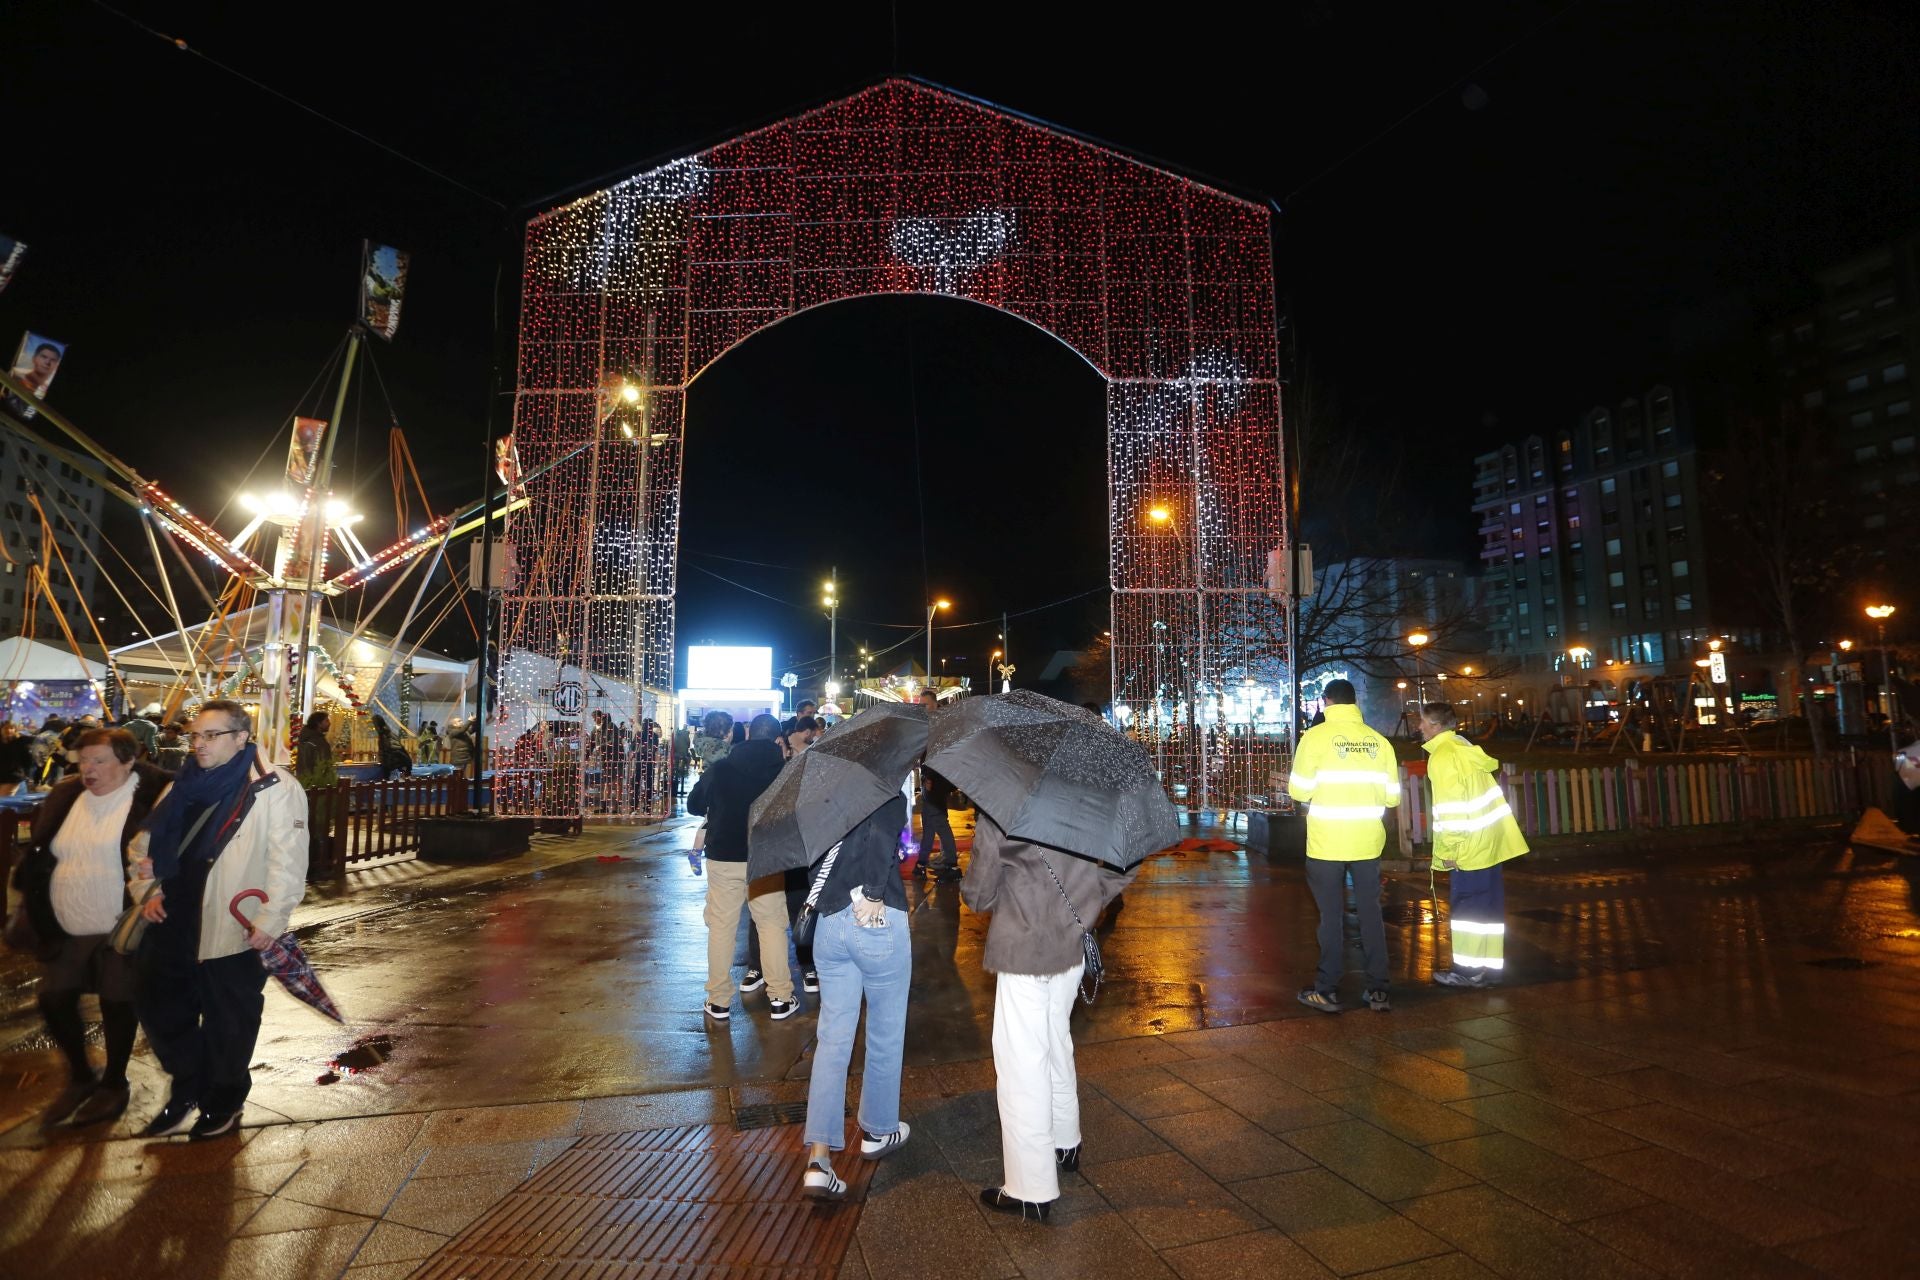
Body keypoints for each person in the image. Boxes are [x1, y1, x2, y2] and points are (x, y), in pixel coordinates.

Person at [127, 699, 309, 1140]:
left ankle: (223, 1098)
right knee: (160, 1005)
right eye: (195, 735)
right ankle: (189, 1083)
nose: (199, 744)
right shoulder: (183, 784)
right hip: (173, 916)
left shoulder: (273, 787)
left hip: (233, 924)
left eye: (211, 735)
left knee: (230, 1017)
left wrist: (269, 920)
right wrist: (145, 892)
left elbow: (288, 862)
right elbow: (143, 847)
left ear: (241, 738)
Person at [964, 812, 1136, 1222]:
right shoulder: (1087, 793)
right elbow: (1130, 856)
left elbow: (978, 895)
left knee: (1022, 1063)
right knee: (1056, 1038)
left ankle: (1030, 1187)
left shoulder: (1004, 803)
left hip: (1023, 949)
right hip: (1071, 944)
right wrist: (1092, 896)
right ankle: (1066, 1140)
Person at [10, 728, 171, 1128]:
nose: (89, 769)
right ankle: (81, 1077)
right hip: (67, 923)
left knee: (117, 1001)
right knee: (53, 998)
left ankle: (114, 1083)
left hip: (121, 924)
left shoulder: (154, 798)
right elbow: (43, 850)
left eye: (99, 761)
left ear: (128, 761)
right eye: (84, 761)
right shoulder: (67, 796)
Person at [800, 794, 914, 1200]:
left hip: (829, 924)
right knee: (884, 1030)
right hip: (876, 920)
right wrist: (873, 892)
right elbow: (883, 837)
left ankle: (818, 1159)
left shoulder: (826, 796)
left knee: (832, 1038)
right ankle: (878, 1131)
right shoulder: (887, 794)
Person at [1287, 678, 1400, 1015]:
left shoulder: (1315, 738)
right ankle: (1379, 990)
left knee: (1331, 917)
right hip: (1366, 842)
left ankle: (1327, 989)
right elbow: (1392, 796)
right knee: (1370, 914)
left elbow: (1299, 791)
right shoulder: (1379, 742)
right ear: (1355, 703)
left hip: (1327, 843)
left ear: (1326, 702)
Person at [686, 714, 796, 1021]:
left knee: (721, 927)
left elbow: (694, 805)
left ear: (746, 735)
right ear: (778, 740)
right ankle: (780, 998)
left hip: (723, 857)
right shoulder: (786, 772)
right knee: (771, 925)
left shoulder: (722, 768)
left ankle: (719, 1001)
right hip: (766, 860)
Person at [1420, 703, 1528, 986]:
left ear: (1435, 725)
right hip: (1490, 843)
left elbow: (1452, 808)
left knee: (1468, 912)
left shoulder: (1442, 756)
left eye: (1422, 722)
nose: (1419, 727)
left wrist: (1450, 851)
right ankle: (1489, 968)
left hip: (1468, 846)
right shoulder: (1464, 747)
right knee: (1488, 910)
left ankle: (1466, 972)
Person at [747, 716, 820, 994]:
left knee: (796, 911)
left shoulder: (794, 770)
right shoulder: (770, 770)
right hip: (774, 855)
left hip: (791, 854)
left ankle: (806, 967)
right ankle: (758, 967)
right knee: (765, 913)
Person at [295, 710, 333, 781]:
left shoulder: (316, 739)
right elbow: (306, 764)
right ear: (319, 723)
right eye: (326, 721)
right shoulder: (312, 741)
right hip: (315, 783)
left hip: (315, 782)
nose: (329, 723)